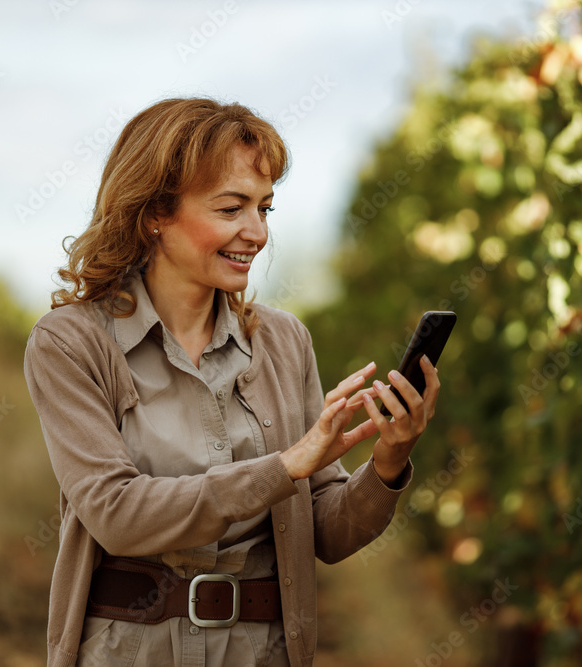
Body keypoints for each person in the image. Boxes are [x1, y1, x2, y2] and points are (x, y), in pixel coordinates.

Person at [23, 97, 441, 667]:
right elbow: (116, 515)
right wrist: (284, 467)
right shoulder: (71, 343)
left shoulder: (284, 341)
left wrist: (390, 459)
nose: (257, 232)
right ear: (154, 214)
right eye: (231, 209)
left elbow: (327, 532)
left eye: (265, 208)